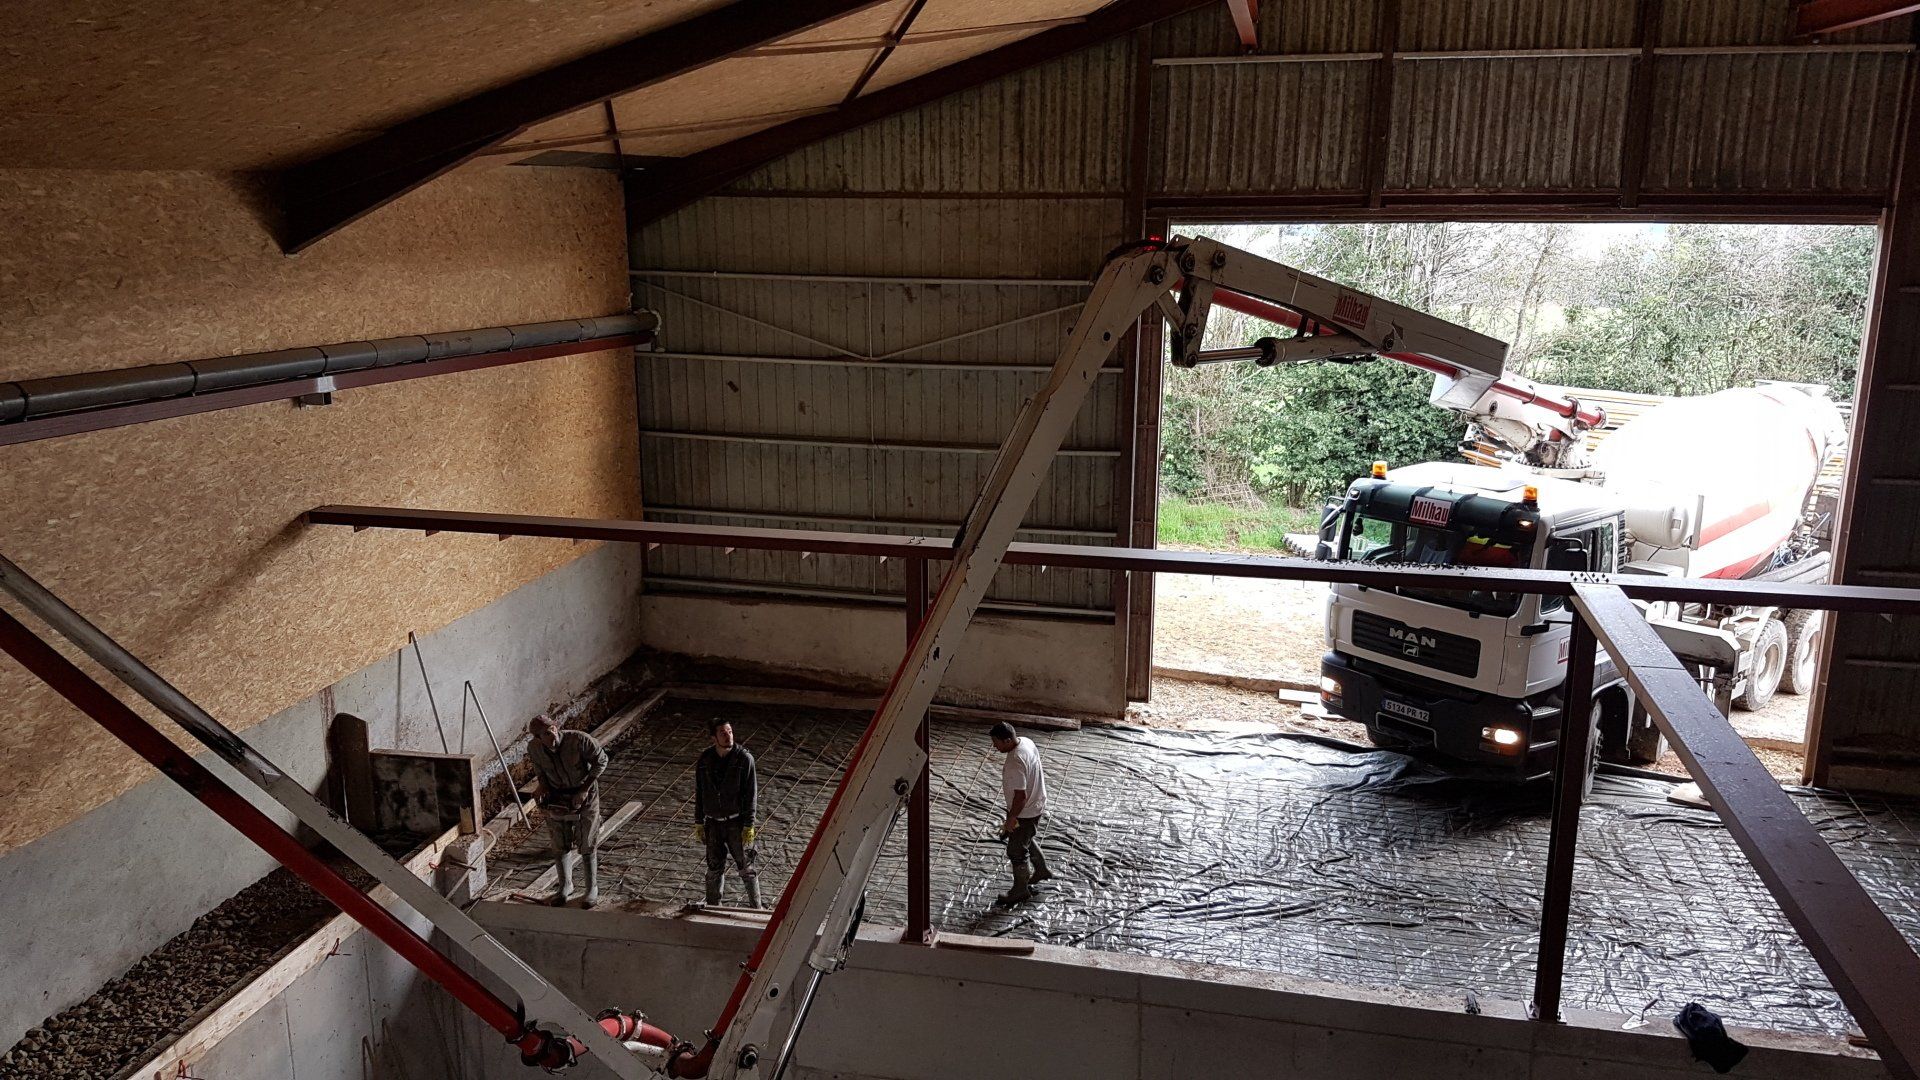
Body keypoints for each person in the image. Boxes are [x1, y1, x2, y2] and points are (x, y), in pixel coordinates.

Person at [526, 714, 608, 907]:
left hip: (584, 794)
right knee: (559, 842)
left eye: (553, 729)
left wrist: (584, 789)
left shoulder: (579, 740)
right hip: (557, 795)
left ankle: (591, 888)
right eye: (546, 734)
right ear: (537, 738)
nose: (552, 735)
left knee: (587, 840)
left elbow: (601, 761)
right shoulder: (535, 749)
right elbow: (540, 770)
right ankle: (565, 885)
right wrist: (542, 786)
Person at [695, 719, 760, 908]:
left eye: (730, 731)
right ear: (713, 738)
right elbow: (700, 791)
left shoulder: (744, 759)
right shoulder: (705, 760)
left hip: (736, 823)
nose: (728, 735)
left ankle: (756, 908)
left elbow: (751, 794)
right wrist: (699, 820)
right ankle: (714, 907)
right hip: (713, 823)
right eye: (723, 733)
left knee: (746, 867)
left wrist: (749, 824)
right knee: (714, 868)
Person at [989, 721, 1052, 907]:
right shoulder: (1026, 741)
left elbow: (1020, 796)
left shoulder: (1015, 762)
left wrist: (1011, 819)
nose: (994, 746)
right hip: (1038, 801)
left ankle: (1020, 890)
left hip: (1026, 810)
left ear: (1008, 740)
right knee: (1024, 838)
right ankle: (1041, 869)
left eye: (996, 742)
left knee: (1016, 850)